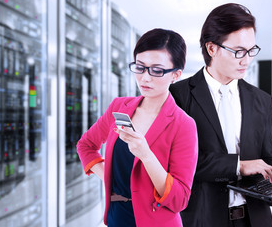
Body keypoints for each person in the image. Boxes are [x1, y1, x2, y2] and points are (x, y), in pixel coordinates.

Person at [169, 3, 272, 227]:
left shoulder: (261, 100)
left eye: (252, 50)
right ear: (212, 48)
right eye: (238, 52)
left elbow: (269, 160)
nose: (246, 60)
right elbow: (176, 163)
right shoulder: (177, 96)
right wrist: (239, 165)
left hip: (256, 219)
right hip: (204, 218)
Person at [77, 28, 198, 227]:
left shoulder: (183, 125)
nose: (145, 78)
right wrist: (108, 178)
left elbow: (180, 199)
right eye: (140, 67)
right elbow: (86, 145)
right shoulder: (119, 107)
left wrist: (146, 155)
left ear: (176, 75)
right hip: (117, 217)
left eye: (157, 70)